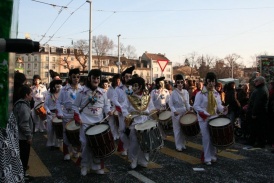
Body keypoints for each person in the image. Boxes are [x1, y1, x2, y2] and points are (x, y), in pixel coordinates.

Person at [72, 69, 112, 176]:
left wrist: (108, 112)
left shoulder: (103, 92)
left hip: (98, 122)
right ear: (89, 79)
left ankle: (97, 166)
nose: (96, 80)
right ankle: (84, 165)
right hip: (85, 122)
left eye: (98, 78)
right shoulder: (81, 92)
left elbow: (106, 105)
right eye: (94, 78)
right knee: (85, 144)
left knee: (98, 145)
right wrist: (77, 117)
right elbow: (75, 106)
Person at [193, 72, 228, 165]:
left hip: (214, 117)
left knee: (213, 138)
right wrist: (204, 113)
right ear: (206, 82)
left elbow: (218, 105)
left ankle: (213, 155)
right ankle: (207, 158)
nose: (211, 84)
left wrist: (223, 108)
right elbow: (196, 106)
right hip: (204, 118)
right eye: (209, 81)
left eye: (213, 82)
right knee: (206, 138)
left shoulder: (216, 93)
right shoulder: (200, 94)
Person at [123, 77, 157, 169]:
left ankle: (143, 160)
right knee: (134, 143)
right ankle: (134, 159)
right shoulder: (129, 98)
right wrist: (130, 117)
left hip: (145, 123)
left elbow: (152, 108)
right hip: (134, 123)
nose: (133, 88)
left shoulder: (147, 97)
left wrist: (153, 115)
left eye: (135, 85)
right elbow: (124, 109)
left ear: (140, 86)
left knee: (146, 143)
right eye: (132, 86)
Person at [56, 68, 82, 160]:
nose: (76, 79)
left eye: (78, 77)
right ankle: (66, 152)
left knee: (78, 134)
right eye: (74, 77)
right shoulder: (64, 89)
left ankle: (76, 151)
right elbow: (58, 102)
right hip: (67, 114)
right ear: (70, 77)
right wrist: (59, 112)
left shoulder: (82, 89)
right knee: (66, 133)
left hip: (78, 115)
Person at [112, 66, 135, 156]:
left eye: (130, 77)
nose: (129, 79)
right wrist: (121, 109)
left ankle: (129, 146)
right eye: (127, 77)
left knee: (131, 130)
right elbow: (114, 100)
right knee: (122, 130)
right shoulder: (118, 89)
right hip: (122, 113)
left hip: (131, 112)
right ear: (123, 78)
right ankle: (123, 148)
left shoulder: (133, 88)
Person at [13, 85, 34, 181]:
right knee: (23, 156)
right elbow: (24, 124)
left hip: (19, 136)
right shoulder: (23, 106)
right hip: (22, 137)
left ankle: (21, 173)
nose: (32, 96)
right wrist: (29, 136)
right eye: (31, 94)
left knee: (21, 156)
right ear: (26, 95)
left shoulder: (19, 104)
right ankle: (22, 175)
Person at [169, 74, 191, 151]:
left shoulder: (186, 92)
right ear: (176, 83)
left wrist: (190, 108)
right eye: (178, 82)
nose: (180, 84)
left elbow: (187, 103)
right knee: (177, 129)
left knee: (183, 129)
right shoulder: (173, 93)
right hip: (176, 112)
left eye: (181, 82)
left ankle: (182, 144)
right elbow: (170, 104)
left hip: (184, 111)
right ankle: (178, 145)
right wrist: (174, 111)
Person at [246, 76, 269, 148]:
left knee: (258, 128)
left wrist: (254, 113)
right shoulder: (261, 89)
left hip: (259, 113)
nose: (254, 82)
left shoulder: (261, 90)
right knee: (256, 128)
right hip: (260, 112)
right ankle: (253, 141)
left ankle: (259, 143)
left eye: (256, 81)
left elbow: (257, 103)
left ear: (260, 82)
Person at [44, 79, 63, 150]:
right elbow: (45, 105)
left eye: (59, 86)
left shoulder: (61, 94)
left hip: (59, 114)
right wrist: (48, 111)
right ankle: (50, 143)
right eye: (56, 87)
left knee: (58, 130)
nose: (58, 88)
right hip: (51, 114)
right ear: (53, 87)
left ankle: (57, 144)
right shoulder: (49, 95)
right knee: (50, 130)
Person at [107, 74, 121, 140]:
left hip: (119, 108)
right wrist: (109, 109)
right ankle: (114, 136)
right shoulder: (110, 90)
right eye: (117, 80)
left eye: (119, 80)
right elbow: (107, 100)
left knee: (120, 124)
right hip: (112, 108)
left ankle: (119, 136)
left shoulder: (121, 89)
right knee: (112, 123)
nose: (118, 82)